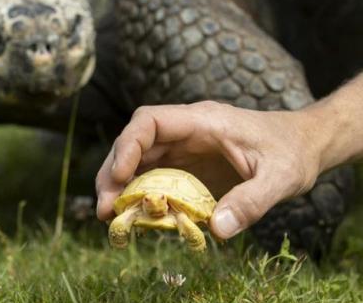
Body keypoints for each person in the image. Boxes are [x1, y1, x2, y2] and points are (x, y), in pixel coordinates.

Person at [95, 73, 363, 240]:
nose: (153, 202)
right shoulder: (141, 205)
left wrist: (310, 136)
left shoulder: (176, 212)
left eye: (159, 199)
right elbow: (122, 220)